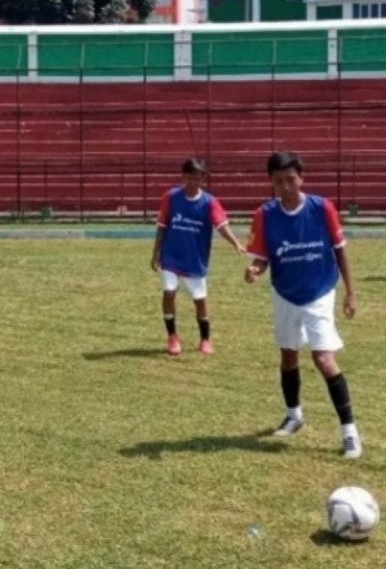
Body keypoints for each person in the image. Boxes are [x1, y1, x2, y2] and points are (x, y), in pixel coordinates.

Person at [244, 151, 363, 459]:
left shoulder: (322, 208)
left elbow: (340, 251)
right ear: (271, 181)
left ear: (302, 178)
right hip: (284, 292)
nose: (285, 187)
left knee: (324, 359)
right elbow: (262, 257)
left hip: (319, 291)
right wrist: (255, 270)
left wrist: (350, 292)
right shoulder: (264, 215)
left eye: (291, 180)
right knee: (288, 355)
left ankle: (350, 432)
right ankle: (294, 414)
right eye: (278, 181)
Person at [151, 158, 244, 356]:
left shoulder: (209, 202)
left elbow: (221, 225)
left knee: (199, 300)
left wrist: (235, 243)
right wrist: (156, 252)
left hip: (195, 259)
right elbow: (162, 225)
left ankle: (205, 339)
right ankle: (172, 337)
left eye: (198, 178)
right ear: (183, 177)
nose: (194, 182)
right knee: (168, 292)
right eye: (190, 178)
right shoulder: (171, 197)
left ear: (203, 178)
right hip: (170, 256)